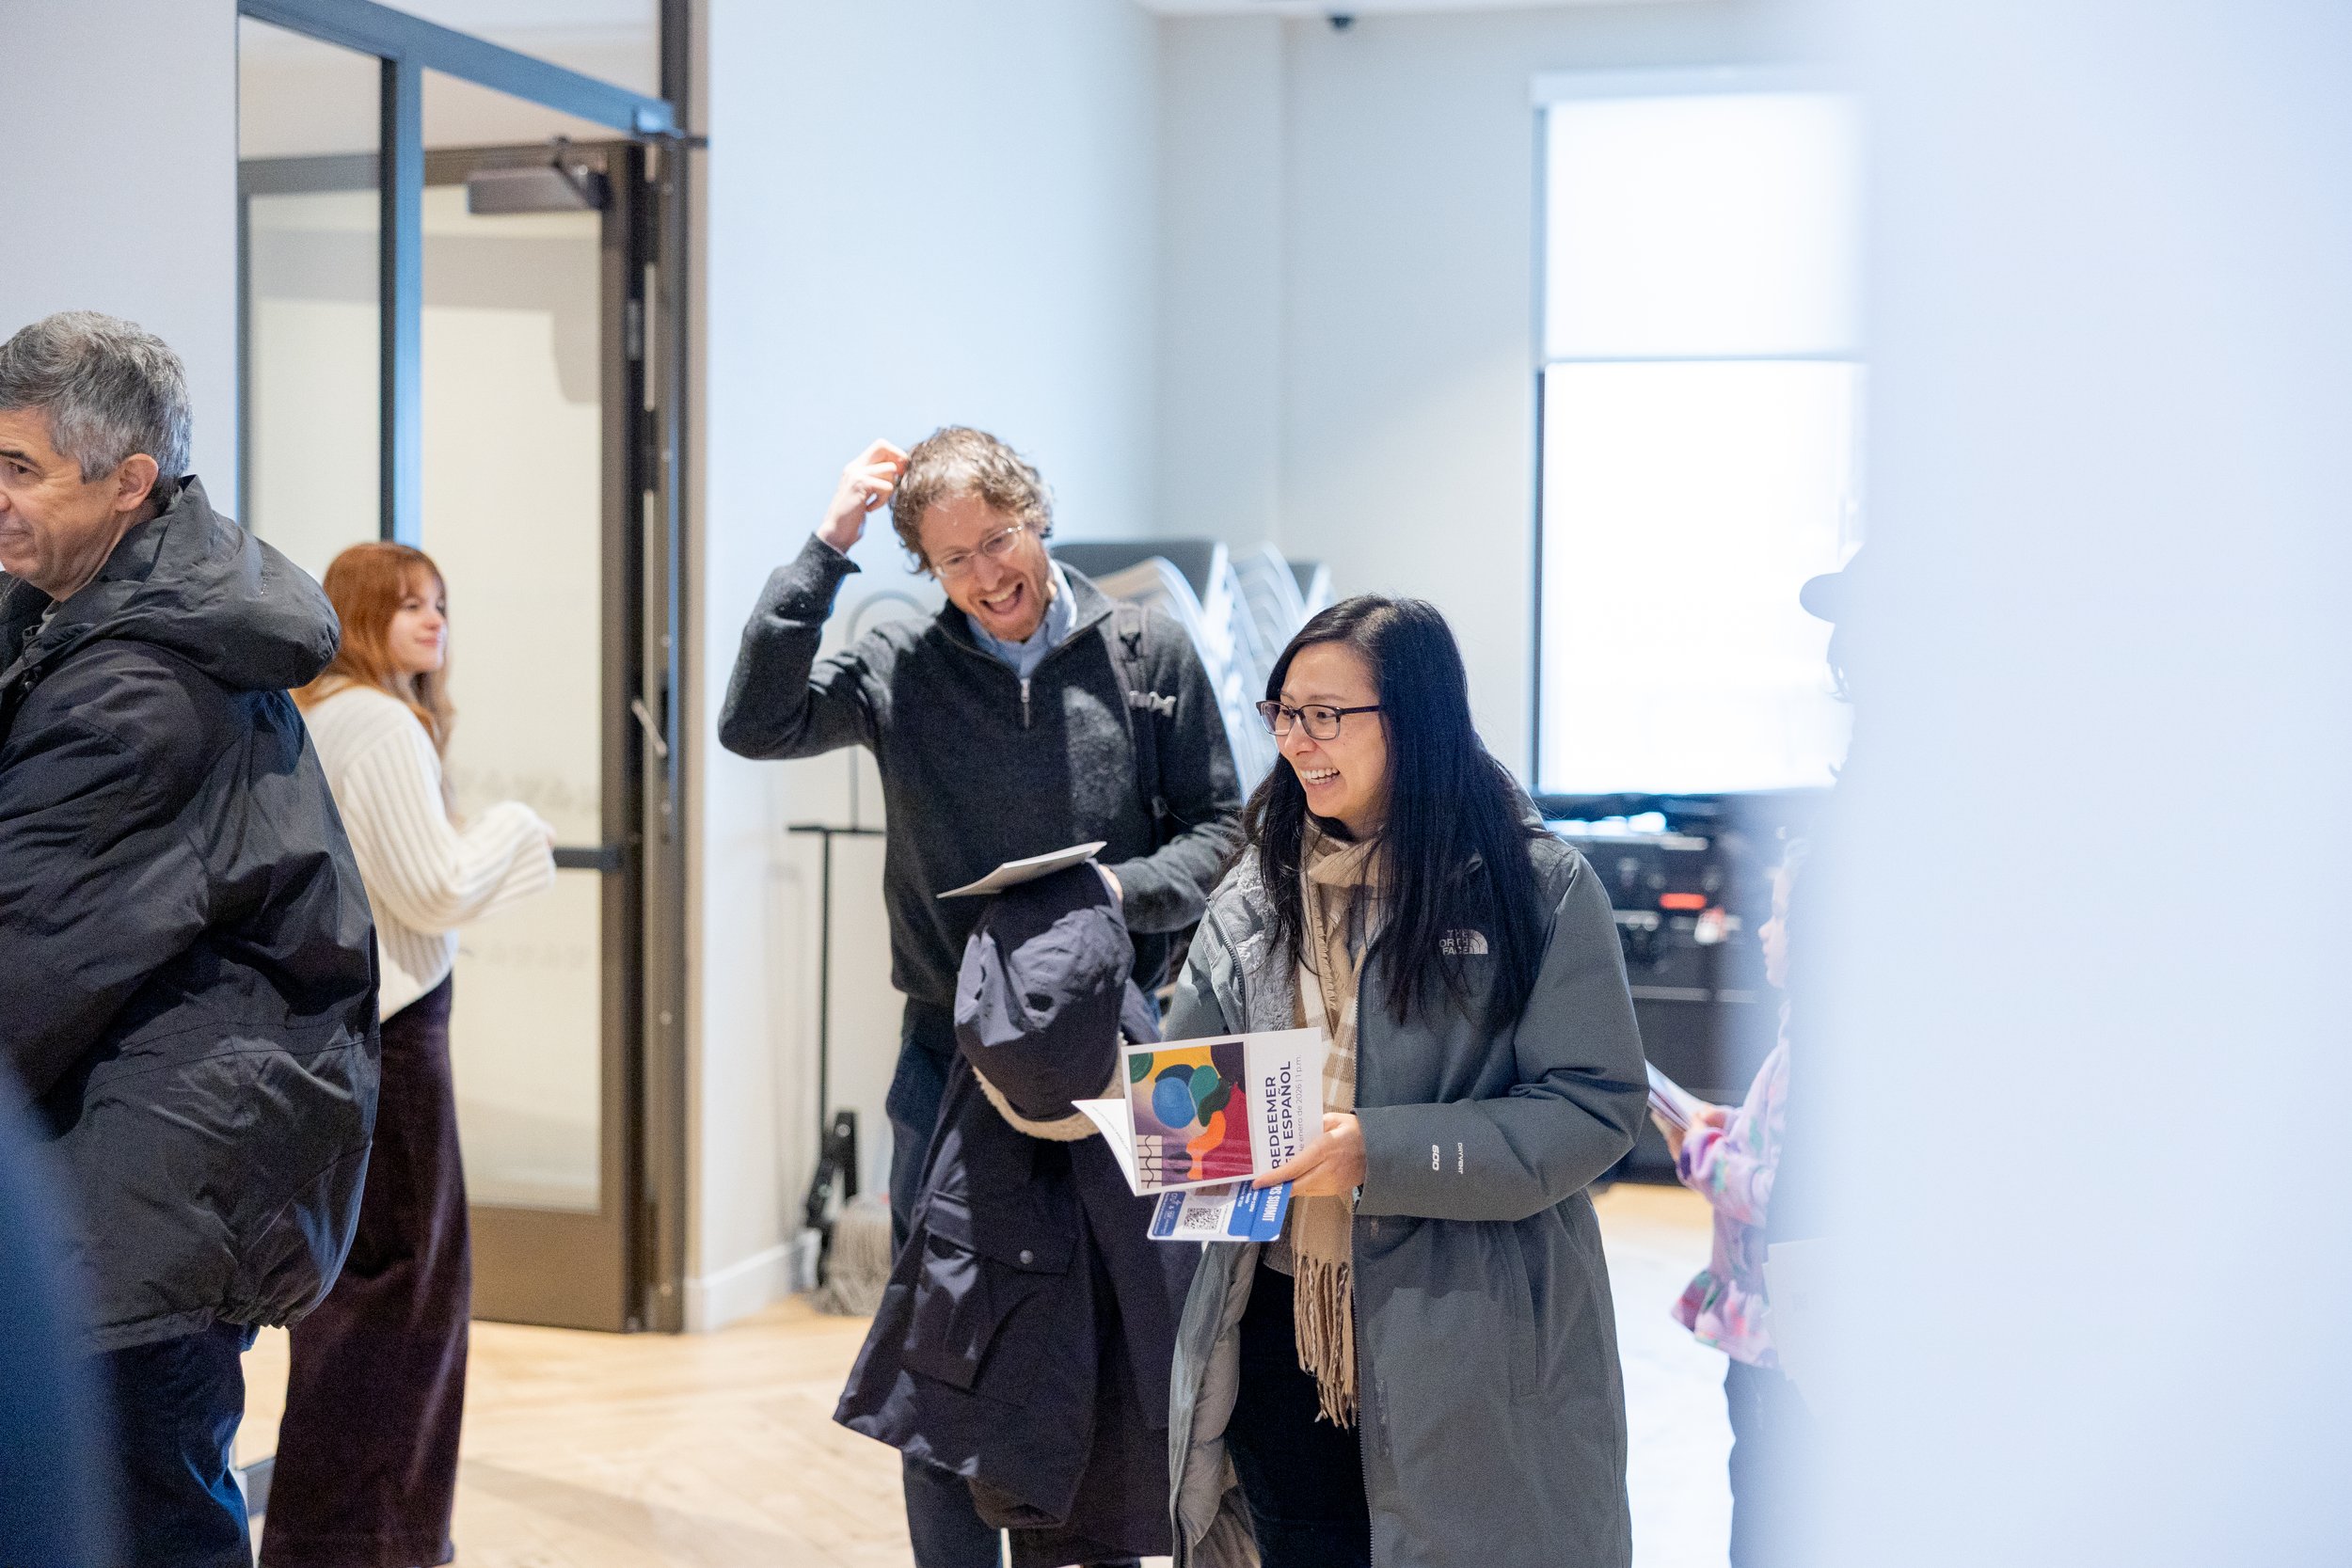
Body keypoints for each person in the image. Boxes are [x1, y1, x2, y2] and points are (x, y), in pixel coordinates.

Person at [720, 427, 1245, 1568]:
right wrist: (825, 547)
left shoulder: (1151, 650)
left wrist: (1112, 891)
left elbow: (1223, 831)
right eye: (952, 558)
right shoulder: (900, 660)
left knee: (1133, 1340)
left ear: (1036, 515)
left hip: (1147, 1049)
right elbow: (752, 724)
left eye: (998, 538)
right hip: (949, 1060)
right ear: (927, 569)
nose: (986, 574)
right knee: (949, 1353)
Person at [0, 310, 377, 1568]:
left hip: (146, 1181)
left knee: (142, 1515)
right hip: (139, 1162)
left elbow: (22, 964)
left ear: (129, 482)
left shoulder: (136, 691)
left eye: (18, 469)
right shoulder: (83, 622)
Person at [1163, 596, 1648, 1568]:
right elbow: (1194, 1102)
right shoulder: (1252, 893)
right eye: (1283, 712)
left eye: (1326, 714)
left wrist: (1373, 1150)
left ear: (1414, 720)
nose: (1298, 740)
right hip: (1270, 1332)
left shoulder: (1533, 885)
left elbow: (1594, 1105)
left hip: (1469, 1337)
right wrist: (1164, 1123)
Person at [263, 543, 557, 1568]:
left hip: (351, 1035)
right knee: (408, 1307)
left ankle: (336, 1541)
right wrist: (517, 827)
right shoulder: (379, 723)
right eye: (408, 603)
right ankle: (384, 1544)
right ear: (358, 612)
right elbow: (431, 889)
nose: (433, 620)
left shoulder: (322, 716)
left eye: (440, 603)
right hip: (397, 1036)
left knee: (362, 1304)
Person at [1657, 841, 1806, 1568]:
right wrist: (1728, 1124)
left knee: (1767, 1500)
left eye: (1779, 917)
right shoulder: (1796, 1040)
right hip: (1776, 1323)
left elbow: (1788, 1190)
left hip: (1785, 1332)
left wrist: (1698, 1150)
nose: (1764, 931)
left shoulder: (1814, 1053)